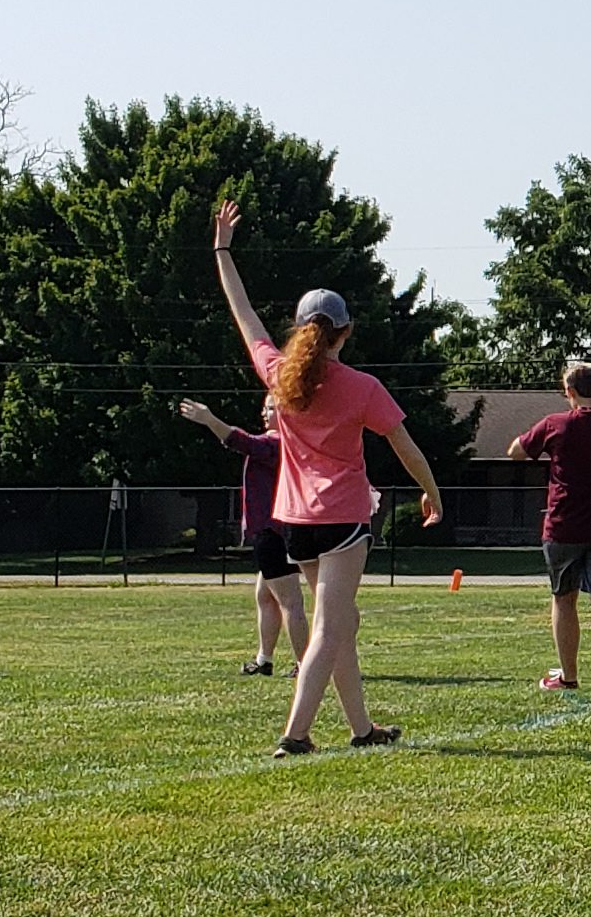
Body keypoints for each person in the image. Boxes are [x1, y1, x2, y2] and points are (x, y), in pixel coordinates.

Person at [212, 199, 443, 754]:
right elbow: (406, 448)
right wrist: (431, 494)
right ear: (345, 332)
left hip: (294, 522)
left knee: (342, 623)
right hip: (341, 519)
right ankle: (295, 735)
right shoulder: (362, 386)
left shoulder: (276, 374)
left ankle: (363, 729)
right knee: (329, 629)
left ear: (299, 331)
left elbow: (243, 312)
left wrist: (222, 249)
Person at [509, 359, 591, 691]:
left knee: (564, 599)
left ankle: (568, 677)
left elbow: (516, 452)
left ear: (569, 391)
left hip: (564, 524)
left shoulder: (555, 424)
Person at [177, 394, 304, 675]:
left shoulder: (278, 444)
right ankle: (264, 661)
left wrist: (209, 420)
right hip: (275, 531)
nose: (264, 412)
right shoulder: (283, 444)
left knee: (290, 602)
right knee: (265, 595)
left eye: (271, 408)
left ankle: (305, 664)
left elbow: (241, 441)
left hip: (274, 532)